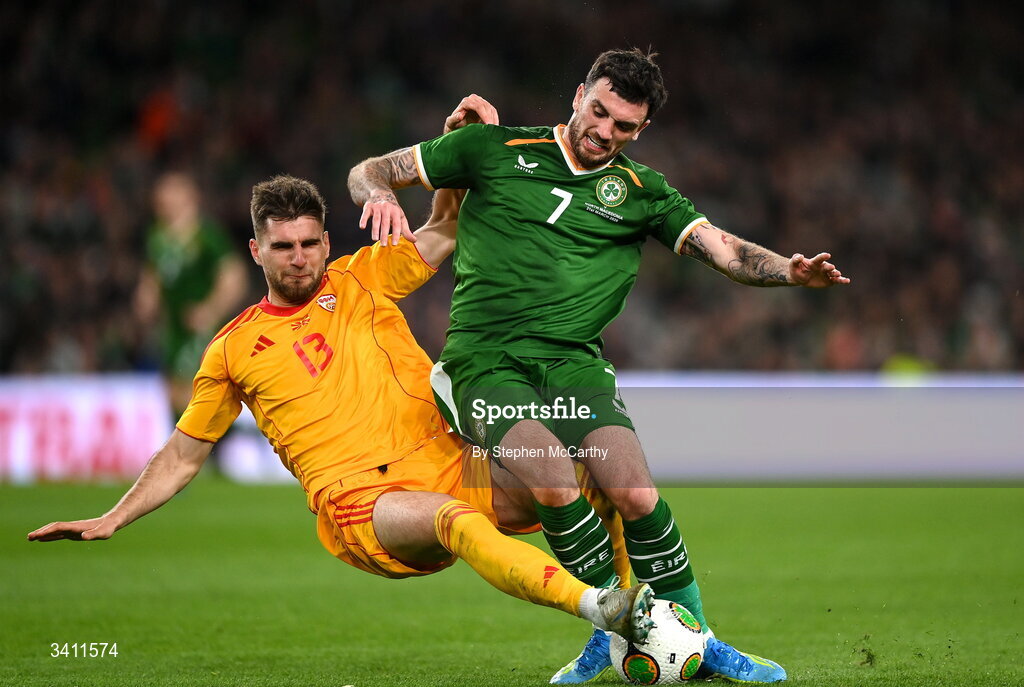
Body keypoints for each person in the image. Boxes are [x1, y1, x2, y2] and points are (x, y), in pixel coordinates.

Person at [348, 49, 851, 684]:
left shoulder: (641, 192)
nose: (605, 132)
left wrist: (789, 271)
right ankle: (614, 629)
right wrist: (377, 196)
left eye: (624, 127)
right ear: (581, 93)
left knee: (637, 493)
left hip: (574, 365)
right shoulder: (493, 148)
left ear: (642, 132)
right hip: (485, 365)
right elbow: (371, 169)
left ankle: (700, 642)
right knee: (555, 481)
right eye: (600, 112)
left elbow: (724, 250)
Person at [27, 171, 658, 665]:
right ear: (256, 250)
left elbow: (449, 222)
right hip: (361, 502)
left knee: (585, 479)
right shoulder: (233, 349)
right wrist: (114, 517)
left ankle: (630, 639)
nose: (298, 258)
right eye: (282, 247)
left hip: (447, 461)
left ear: (327, 242)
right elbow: (184, 453)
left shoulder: (363, 278)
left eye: (309, 244)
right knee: (456, 521)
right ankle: (601, 608)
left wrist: (458, 144)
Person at [134, 171, 249, 414]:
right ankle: (201, 445)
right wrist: (146, 298)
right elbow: (154, 275)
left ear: (189, 196)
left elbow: (234, 276)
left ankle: (203, 447)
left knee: (193, 387)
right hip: (173, 326)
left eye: (172, 191)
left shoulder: (206, 235)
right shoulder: (158, 237)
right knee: (173, 390)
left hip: (201, 327)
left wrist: (210, 309)